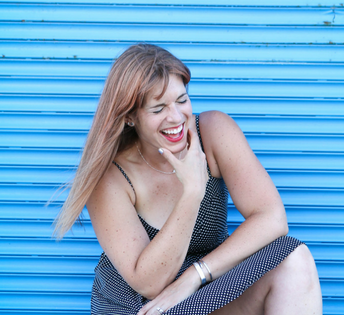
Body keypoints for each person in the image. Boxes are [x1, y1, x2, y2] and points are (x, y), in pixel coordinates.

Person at [53, 43, 322, 315]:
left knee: (294, 260)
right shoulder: (111, 176)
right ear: (130, 117)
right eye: (158, 109)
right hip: (143, 306)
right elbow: (150, 283)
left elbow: (272, 218)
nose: (176, 117)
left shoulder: (212, 132)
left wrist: (195, 276)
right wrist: (192, 190)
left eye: (182, 100)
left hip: (204, 288)